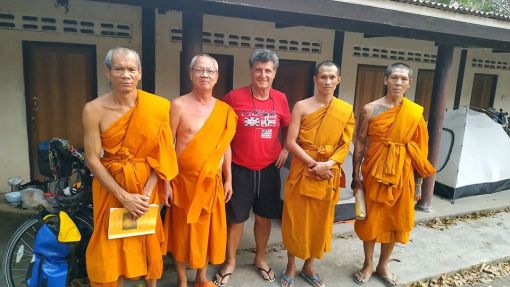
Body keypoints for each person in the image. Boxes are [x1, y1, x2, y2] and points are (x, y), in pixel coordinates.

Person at [83, 47, 178, 287]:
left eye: (131, 69)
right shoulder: (93, 109)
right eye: (119, 68)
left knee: (148, 241)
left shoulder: (157, 107)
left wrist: (145, 193)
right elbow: (93, 158)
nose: (125, 74)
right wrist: (124, 196)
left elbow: (164, 153)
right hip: (112, 187)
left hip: (147, 186)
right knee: (111, 246)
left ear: (140, 74)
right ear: (108, 73)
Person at [351, 63, 435, 286]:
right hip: (374, 172)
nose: (398, 83)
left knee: (395, 221)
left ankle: (383, 265)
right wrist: (355, 174)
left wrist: (418, 185)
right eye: (394, 78)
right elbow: (359, 141)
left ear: (409, 83)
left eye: (403, 79)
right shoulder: (370, 109)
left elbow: (420, 152)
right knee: (371, 220)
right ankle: (368, 264)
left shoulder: (415, 113)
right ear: (385, 80)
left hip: (403, 174)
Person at [214, 48, 291, 286]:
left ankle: (260, 258)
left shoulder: (281, 98)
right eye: (258, 70)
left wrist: (286, 149)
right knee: (236, 219)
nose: (263, 75)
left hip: (269, 168)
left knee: (264, 217)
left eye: (268, 70)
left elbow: (289, 126)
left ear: (274, 73)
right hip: (239, 168)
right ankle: (230, 261)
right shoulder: (233, 98)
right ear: (251, 71)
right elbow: (221, 132)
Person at [163, 54, 237, 287]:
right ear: (190, 73)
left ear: (217, 77)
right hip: (182, 182)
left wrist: (228, 179)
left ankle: (201, 278)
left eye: (210, 71)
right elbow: (167, 147)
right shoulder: (178, 105)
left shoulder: (224, 110)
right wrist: (166, 182)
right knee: (181, 232)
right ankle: (182, 280)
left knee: (206, 231)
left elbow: (225, 147)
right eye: (200, 70)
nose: (205, 75)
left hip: (212, 182)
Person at [280, 61, 355, 287]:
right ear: (315, 79)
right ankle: (291, 266)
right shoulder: (301, 106)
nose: (328, 81)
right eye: (323, 76)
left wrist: (328, 164)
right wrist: (315, 164)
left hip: (328, 173)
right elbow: (290, 142)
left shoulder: (345, 109)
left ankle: (309, 266)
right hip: (303, 170)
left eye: (332, 77)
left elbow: (345, 144)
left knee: (320, 222)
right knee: (295, 220)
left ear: (339, 80)